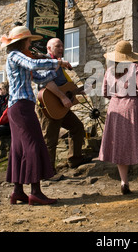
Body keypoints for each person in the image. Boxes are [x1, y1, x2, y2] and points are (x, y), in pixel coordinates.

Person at [1, 25, 66, 205]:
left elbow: (39, 78)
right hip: (21, 106)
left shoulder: (20, 57)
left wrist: (55, 67)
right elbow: (33, 64)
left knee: (19, 148)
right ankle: (35, 192)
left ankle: (18, 191)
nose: (31, 44)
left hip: (19, 106)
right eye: (29, 41)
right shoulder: (16, 56)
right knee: (34, 144)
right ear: (22, 41)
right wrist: (57, 62)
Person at [99, 40, 138, 195]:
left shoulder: (109, 71)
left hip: (115, 107)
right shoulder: (135, 67)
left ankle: (124, 183)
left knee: (120, 144)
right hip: (132, 106)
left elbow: (105, 93)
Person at [36, 38, 91, 176]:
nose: (61, 48)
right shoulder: (45, 62)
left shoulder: (59, 65)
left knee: (77, 127)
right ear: (49, 49)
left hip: (61, 106)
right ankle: (47, 172)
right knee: (50, 139)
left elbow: (64, 87)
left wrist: (76, 91)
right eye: (57, 46)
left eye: (62, 46)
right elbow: (47, 83)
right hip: (48, 105)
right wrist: (62, 97)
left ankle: (75, 159)